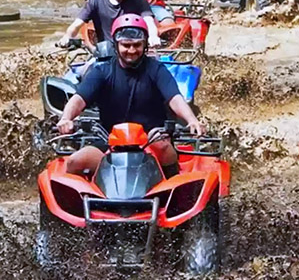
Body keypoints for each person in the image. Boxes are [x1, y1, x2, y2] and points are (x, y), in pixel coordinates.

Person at [56, 14, 204, 177]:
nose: (132, 51)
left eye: (137, 45)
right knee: (74, 162)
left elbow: (175, 98)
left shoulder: (157, 70)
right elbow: (78, 99)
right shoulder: (102, 71)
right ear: (116, 45)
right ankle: (83, 197)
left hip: (151, 141)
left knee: (164, 148)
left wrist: (191, 120)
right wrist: (66, 118)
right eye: (126, 45)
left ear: (145, 44)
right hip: (109, 141)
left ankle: (172, 182)